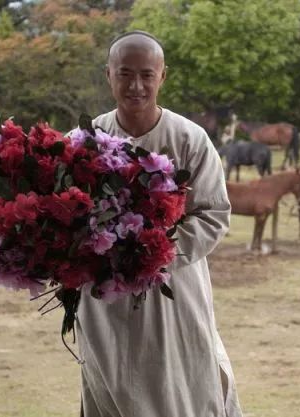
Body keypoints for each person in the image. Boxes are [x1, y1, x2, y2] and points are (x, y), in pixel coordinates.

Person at [75, 30, 244, 417]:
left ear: (162, 76)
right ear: (108, 75)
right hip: (105, 302)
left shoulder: (190, 139)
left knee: (183, 384)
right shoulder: (83, 140)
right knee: (112, 384)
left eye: (147, 75)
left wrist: (151, 256)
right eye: (125, 73)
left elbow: (214, 214)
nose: (136, 85)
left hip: (175, 292)